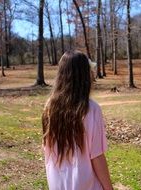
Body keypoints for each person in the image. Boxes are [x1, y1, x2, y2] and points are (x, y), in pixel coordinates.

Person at [42, 51, 113, 190]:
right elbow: (97, 156)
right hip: (86, 185)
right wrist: (109, 188)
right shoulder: (91, 109)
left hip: (57, 184)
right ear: (85, 76)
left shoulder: (49, 107)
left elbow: (47, 151)